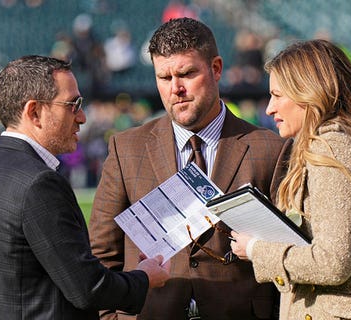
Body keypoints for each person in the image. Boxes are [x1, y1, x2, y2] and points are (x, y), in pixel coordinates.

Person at [88, 18, 286, 320]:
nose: (175, 89)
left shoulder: (269, 148)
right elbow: (102, 254)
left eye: (187, 74)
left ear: (216, 68)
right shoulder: (126, 148)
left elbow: (286, 251)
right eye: (164, 78)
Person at [0, 55, 170, 320]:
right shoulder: (39, 183)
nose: (82, 117)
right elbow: (87, 288)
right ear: (34, 112)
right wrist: (145, 277)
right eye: (73, 105)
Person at [230, 39, 351, 320]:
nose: (270, 108)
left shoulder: (332, 147)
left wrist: (256, 249)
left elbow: (333, 262)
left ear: (309, 92)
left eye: (278, 95)